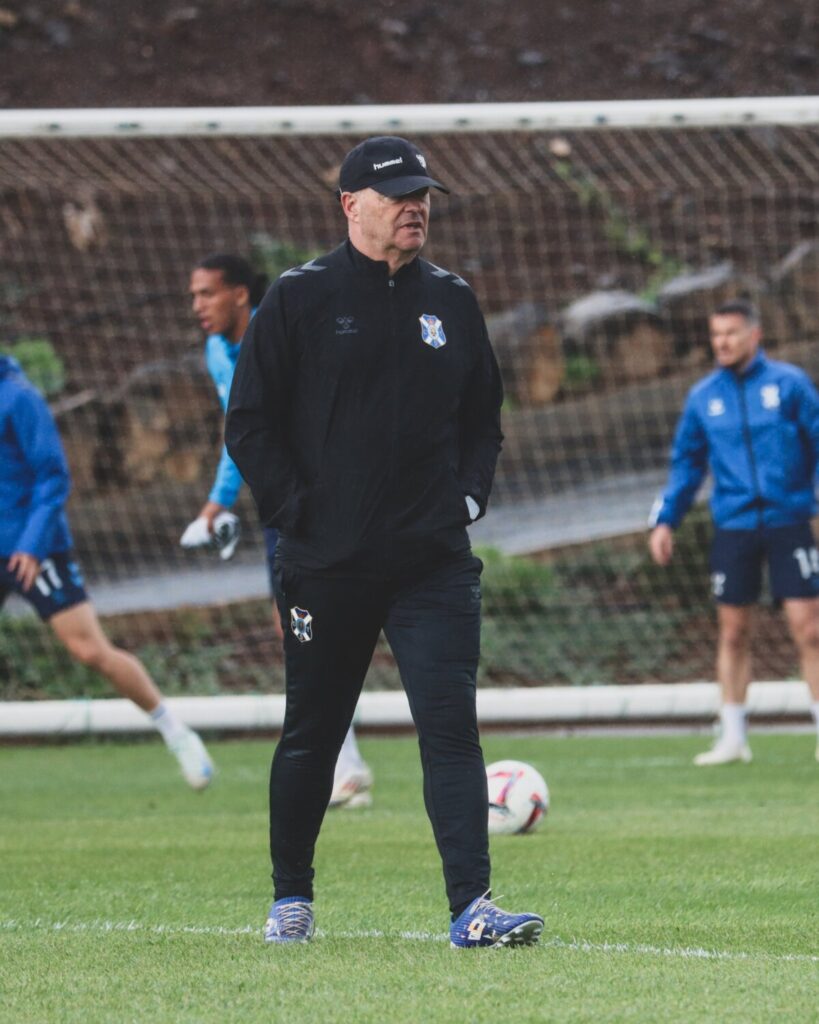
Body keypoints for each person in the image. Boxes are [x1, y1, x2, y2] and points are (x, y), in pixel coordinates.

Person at [225, 135, 543, 947]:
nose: (415, 206)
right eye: (398, 194)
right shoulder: (298, 300)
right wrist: (299, 511)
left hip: (432, 562)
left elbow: (483, 421)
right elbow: (249, 425)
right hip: (325, 564)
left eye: (422, 194)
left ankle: (471, 908)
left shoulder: (453, 300)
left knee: (449, 726)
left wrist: (468, 497)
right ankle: (290, 898)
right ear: (349, 206)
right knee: (313, 731)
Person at [186, 253, 372, 807]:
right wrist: (219, 504)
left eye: (207, 294)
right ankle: (346, 765)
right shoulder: (218, 352)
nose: (198, 306)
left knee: (332, 622)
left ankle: (347, 763)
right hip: (284, 504)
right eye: (193, 296)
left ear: (240, 295)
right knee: (300, 627)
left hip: (334, 494)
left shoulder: (289, 328)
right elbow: (240, 429)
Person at [0, 354, 214, 789]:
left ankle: (177, 732)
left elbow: (53, 476)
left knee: (89, 650)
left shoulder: (19, 398)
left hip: (33, 549)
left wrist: (32, 543)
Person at [649, 299, 819, 765]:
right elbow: (686, 464)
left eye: (731, 333)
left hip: (789, 521)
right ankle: (733, 737)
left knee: (810, 629)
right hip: (735, 526)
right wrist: (665, 520)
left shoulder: (790, 385)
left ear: (754, 335)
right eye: (716, 334)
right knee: (733, 632)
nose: (722, 342)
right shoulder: (704, 397)